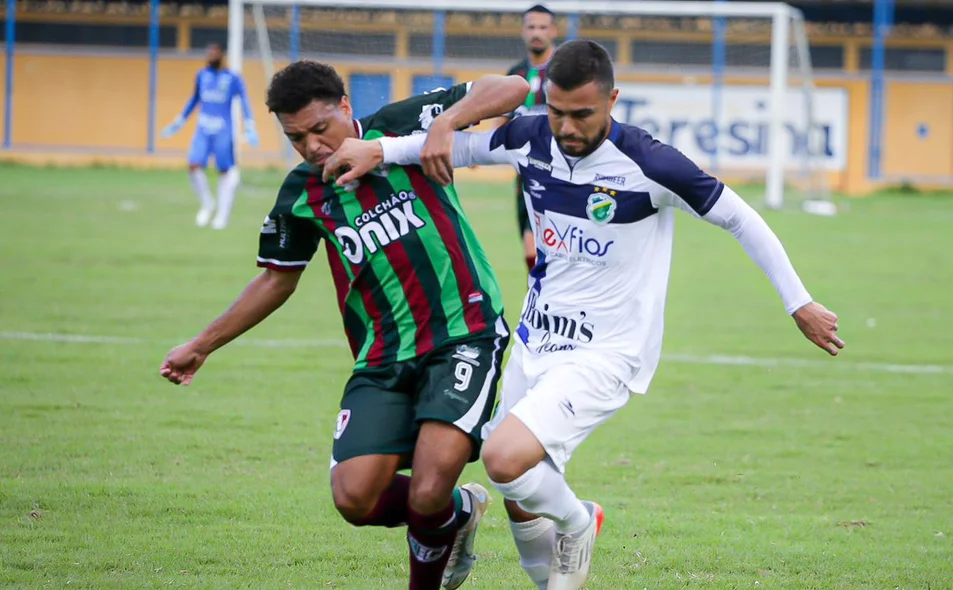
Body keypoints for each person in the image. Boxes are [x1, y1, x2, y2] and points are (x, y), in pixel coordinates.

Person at [323, 40, 845, 590]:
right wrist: (379, 152)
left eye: (581, 114)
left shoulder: (650, 163)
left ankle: (580, 521)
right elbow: (466, 150)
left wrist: (800, 302)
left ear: (613, 100)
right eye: (556, 111)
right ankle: (550, 577)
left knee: (503, 459)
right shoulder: (531, 139)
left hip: (607, 351)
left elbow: (741, 219)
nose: (566, 128)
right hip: (536, 340)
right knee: (518, 489)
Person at [158, 59, 531, 590]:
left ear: (346, 109)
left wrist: (447, 123)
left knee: (426, 488)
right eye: (296, 137)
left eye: (320, 128)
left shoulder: (399, 125)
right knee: (355, 497)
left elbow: (512, 88)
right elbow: (274, 280)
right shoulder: (303, 191)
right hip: (382, 355)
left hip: (463, 332)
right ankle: (460, 512)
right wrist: (202, 345)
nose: (311, 146)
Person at [161, 42, 260, 230]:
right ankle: (207, 203)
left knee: (225, 171)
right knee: (193, 165)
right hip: (203, 130)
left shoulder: (232, 78)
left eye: (214, 52)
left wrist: (249, 125)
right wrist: (179, 121)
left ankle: (222, 215)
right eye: (209, 52)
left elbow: (244, 101)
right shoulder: (201, 75)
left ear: (222, 55)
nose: (211, 55)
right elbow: (194, 99)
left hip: (223, 130)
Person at [504, 4, 558, 271]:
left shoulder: (564, 70)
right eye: (532, 27)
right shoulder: (515, 75)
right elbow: (501, 119)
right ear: (523, 31)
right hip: (525, 170)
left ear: (554, 31)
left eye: (543, 27)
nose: (537, 33)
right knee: (528, 243)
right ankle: (538, 296)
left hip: (559, 169)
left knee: (554, 243)